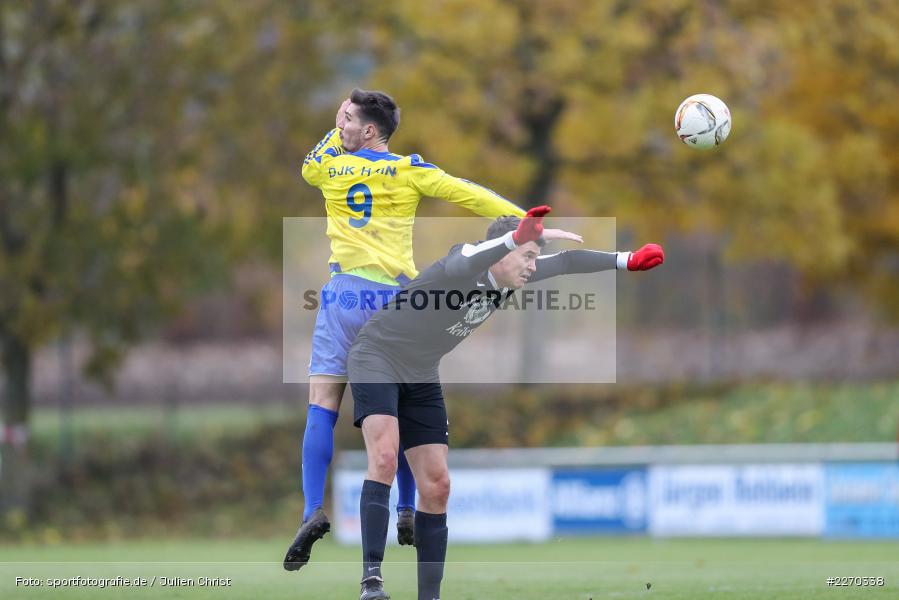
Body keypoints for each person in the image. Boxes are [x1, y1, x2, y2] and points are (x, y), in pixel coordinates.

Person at [348, 206, 664, 600]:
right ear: (503, 250)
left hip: (421, 371)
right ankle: (371, 583)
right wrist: (515, 239)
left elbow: (565, 262)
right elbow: (469, 258)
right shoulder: (464, 260)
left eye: (534, 256)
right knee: (385, 458)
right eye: (527, 256)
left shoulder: (512, 274)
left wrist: (626, 260)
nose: (533, 266)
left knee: (438, 485)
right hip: (376, 356)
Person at [284, 88, 527, 571]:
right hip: (395, 302)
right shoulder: (408, 169)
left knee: (322, 405)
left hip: (344, 296)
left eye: (349, 117)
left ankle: (312, 510)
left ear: (368, 131)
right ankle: (406, 508)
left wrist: (337, 134)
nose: (340, 121)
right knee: (400, 405)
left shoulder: (330, 166)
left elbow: (310, 166)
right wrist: (524, 220)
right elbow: (465, 190)